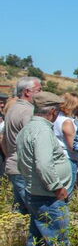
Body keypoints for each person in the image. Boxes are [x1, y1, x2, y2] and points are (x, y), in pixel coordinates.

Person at [16, 92, 72, 246]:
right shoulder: (42, 131)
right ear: (53, 112)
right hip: (48, 195)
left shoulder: (28, 129)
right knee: (57, 240)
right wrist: (57, 187)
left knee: (38, 236)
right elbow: (44, 164)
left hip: (35, 191)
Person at [2, 76, 42, 216]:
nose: (41, 93)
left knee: (21, 211)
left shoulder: (13, 108)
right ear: (27, 92)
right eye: (39, 90)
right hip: (24, 168)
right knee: (36, 212)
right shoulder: (28, 111)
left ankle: (17, 237)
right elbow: (32, 140)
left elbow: (4, 140)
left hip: (14, 164)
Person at [53, 92, 78, 194]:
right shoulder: (67, 122)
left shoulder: (55, 118)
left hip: (57, 157)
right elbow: (72, 146)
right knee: (67, 192)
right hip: (69, 159)